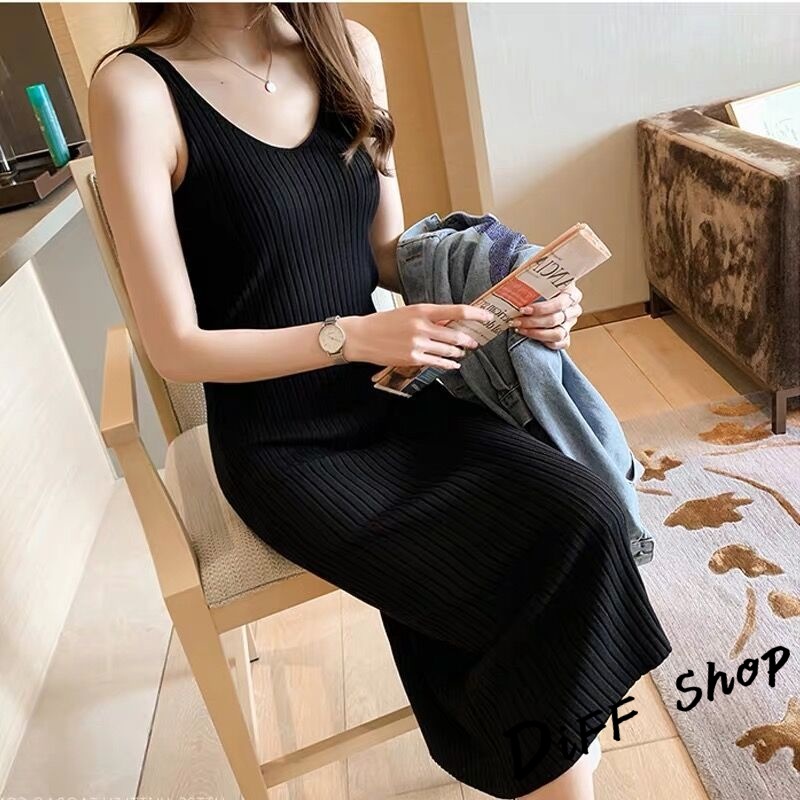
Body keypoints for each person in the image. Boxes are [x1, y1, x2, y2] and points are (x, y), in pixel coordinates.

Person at [89, 4, 671, 798]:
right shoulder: (136, 90)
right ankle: (563, 759)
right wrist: (352, 336)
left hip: (397, 400)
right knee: (512, 567)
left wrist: (524, 285)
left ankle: (551, 748)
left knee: (585, 509)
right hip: (282, 445)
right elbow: (175, 346)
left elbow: (387, 253)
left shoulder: (348, 49)